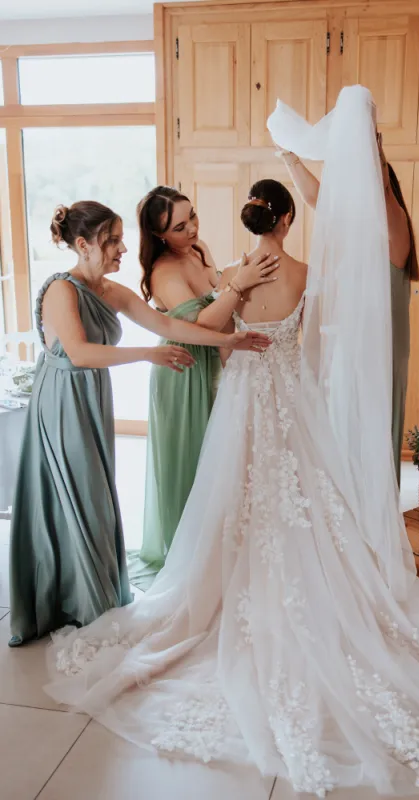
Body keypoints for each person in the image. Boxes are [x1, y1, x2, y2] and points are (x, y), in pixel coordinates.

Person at [45, 93, 419, 798]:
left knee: (237, 490)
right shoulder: (304, 274)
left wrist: (235, 298)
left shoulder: (234, 274)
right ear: (287, 219)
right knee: (304, 492)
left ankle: (226, 582)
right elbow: (319, 333)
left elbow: (213, 328)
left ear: (250, 219)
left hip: (242, 395)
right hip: (293, 397)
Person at [8, 200, 270, 647]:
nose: (123, 248)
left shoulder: (111, 291)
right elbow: (80, 354)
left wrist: (228, 339)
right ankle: (72, 600)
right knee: (79, 494)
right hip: (62, 400)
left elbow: (167, 323)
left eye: (120, 238)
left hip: (91, 396)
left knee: (95, 494)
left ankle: (88, 595)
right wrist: (150, 353)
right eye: (111, 241)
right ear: (83, 245)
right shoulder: (61, 290)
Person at [129, 187, 280, 588]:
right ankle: (189, 555)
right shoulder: (163, 271)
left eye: (192, 216)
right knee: (191, 462)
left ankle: (218, 547)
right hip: (183, 371)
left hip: (215, 364)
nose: (192, 229)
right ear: (159, 234)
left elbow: (217, 296)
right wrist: (238, 285)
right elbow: (204, 324)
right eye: (179, 227)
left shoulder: (198, 250)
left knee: (218, 460)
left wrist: (236, 279)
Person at [277, 128, 419, 485]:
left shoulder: (396, 234)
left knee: (374, 427)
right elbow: (315, 197)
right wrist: (288, 154)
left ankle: (375, 500)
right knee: (343, 429)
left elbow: (382, 192)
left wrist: (375, 154)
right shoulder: (357, 236)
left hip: (381, 351)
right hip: (350, 347)